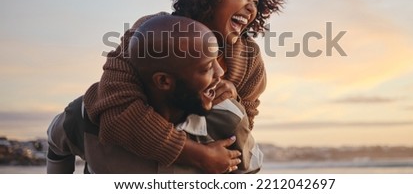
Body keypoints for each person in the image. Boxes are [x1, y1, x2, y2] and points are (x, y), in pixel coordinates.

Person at [83, 0, 284, 173]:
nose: (252, 7)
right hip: (129, 156)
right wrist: (198, 156)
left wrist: (234, 101)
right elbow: (117, 112)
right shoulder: (152, 33)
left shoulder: (249, 59)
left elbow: (243, 129)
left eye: (256, 0)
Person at [47, 15, 263, 173]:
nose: (221, 73)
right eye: (207, 67)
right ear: (163, 81)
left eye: (218, 60)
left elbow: (250, 170)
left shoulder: (228, 119)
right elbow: (56, 142)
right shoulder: (89, 114)